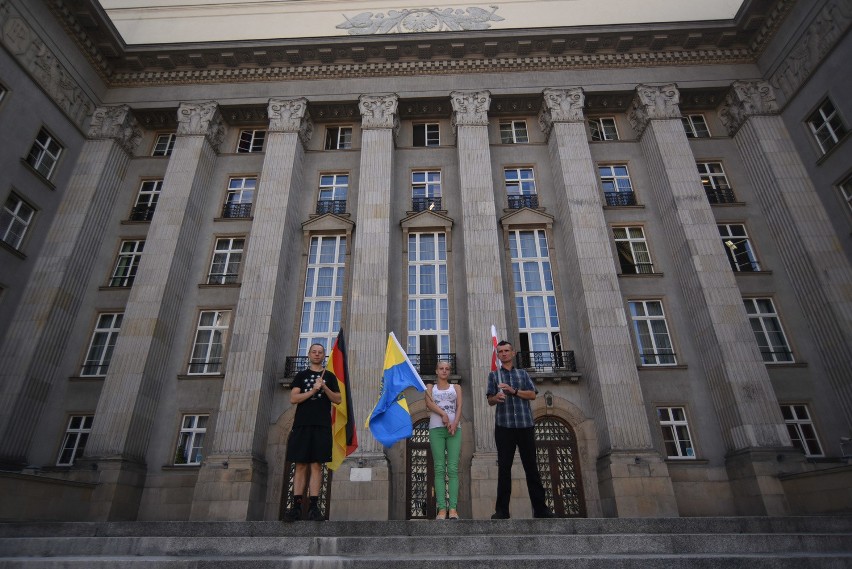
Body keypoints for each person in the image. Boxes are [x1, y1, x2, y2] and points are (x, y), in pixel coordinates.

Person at [486, 340, 554, 519]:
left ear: (513, 353)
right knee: (504, 469)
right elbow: (489, 400)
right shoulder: (494, 376)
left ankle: (541, 509)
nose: (504, 354)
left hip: (525, 425)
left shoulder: (523, 374)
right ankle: (502, 511)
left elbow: (532, 394)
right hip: (504, 426)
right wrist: (497, 398)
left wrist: (513, 391)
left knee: (531, 467)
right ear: (498, 355)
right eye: (500, 351)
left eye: (507, 350)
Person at [283, 343, 341, 522]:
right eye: (314, 352)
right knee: (300, 465)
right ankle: (297, 506)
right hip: (302, 425)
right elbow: (294, 398)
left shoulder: (329, 377)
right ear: (308, 355)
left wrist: (323, 387)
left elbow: (338, 399)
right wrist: (312, 391)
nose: (317, 355)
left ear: (324, 356)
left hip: (322, 425)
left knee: (317, 465)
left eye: (320, 352)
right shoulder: (301, 376)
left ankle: (314, 507)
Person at [424, 360, 462, 520]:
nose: (444, 371)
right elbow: (428, 404)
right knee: (439, 469)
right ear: (436, 371)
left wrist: (454, 423)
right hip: (436, 429)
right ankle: (441, 509)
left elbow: (459, 406)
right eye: (441, 368)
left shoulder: (457, 387)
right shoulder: (430, 387)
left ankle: (453, 509)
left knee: (452, 469)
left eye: (447, 369)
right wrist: (443, 414)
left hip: (454, 429)